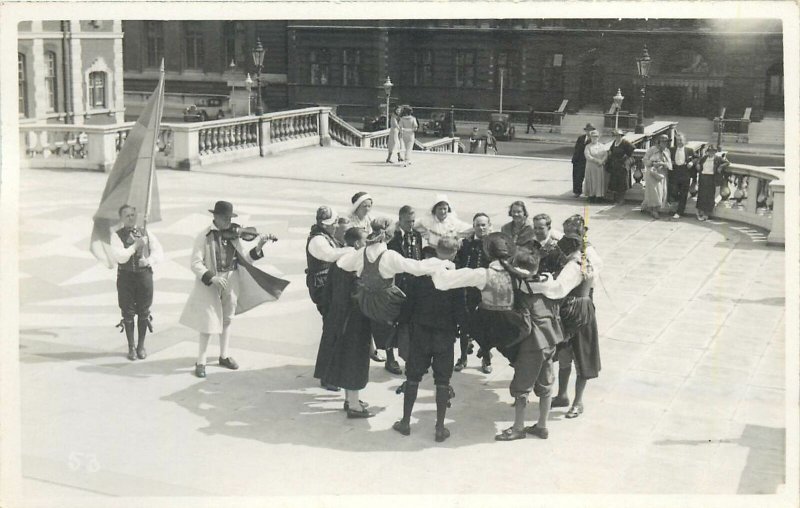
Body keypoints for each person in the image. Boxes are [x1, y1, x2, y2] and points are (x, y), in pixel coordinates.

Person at [431, 235, 560, 441]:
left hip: (520, 334)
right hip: (543, 331)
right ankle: (542, 425)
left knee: (522, 384)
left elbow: (443, 282)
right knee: (545, 381)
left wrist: (438, 265)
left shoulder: (485, 273)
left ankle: (518, 428)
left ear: (487, 253)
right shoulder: (523, 275)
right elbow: (551, 285)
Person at [179, 201, 289, 378]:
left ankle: (224, 355)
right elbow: (195, 263)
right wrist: (212, 277)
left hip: (232, 279)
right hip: (211, 282)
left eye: (230, 218)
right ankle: (201, 361)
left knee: (227, 319)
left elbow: (245, 259)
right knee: (208, 322)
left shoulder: (235, 236)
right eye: (224, 218)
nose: (228, 222)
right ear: (214, 217)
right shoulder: (204, 236)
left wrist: (259, 246)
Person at [337, 217, 447, 371]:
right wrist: (440, 262)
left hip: (366, 300)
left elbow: (342, 264)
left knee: (385, 322)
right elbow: (416, 268)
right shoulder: (389, 256)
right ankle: (410, 358)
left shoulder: (362, 252)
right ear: (388, 236)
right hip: (385, 302)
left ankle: (388, 357)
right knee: (409, 314)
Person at [392, 238, 462, 442]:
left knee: (412, 377)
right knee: (442, 381)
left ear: (436, 251)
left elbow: (408, 305)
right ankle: (440, 427)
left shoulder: (421, 274)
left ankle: (405, 422)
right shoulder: (455, 277)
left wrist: (400, 324)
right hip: (444, 335)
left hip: (420, 334)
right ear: (454, 254)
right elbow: (460, 311)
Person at [530, 234, 600, 420]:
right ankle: (562, 395)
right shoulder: (587, 260)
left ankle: (578, 402)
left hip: (575, 310)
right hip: (582, 306)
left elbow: (558, 289)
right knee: (565, 353)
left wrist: (542, 282)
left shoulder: (573, 265)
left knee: (579, 353)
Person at [313, 227, 374, 418]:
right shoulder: (355, 265)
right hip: (354, 321)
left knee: (345, 359)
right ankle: (354, 405)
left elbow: (327, 293)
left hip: (338, 319)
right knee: (354, 361)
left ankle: (351, 399)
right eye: (365, 241)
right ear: (357, 244)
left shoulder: (338, 262)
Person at [110, 204, 164, 361]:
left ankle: (141, 345)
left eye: (133, 215)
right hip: (126, 277)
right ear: (121, 218)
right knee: (127, 313)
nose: (130, 218)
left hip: (143, 277)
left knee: (144, 312)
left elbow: (159, 252)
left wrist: (147, 261)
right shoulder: (116, 236)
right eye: (126, 215)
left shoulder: (145, 232)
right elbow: (120, 256)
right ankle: (131, 347)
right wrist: (135, 246)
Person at [385, 205, 424, 374]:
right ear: (400, 220)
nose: (411, 225)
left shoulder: (416, 235)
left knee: (411, 322)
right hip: (396, 284)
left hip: (414, 285)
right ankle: (390, 358)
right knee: (392, 322)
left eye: (413, 221)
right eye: (408, 221)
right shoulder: (392, 238)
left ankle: (410, 356)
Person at [453, 212, 492, 373]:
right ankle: (463, 358)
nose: (481, 228)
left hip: (486, 291)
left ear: (489, 226)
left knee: (487, 325)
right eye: (478, 225)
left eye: (484, 225)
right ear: (473, 227)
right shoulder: (466, 243)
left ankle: (486, 358)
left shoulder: (493, 244)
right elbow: (458, 261)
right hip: (467, 290)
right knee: (464, 324)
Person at [305, 206, 354, 316]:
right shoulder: (317, 240)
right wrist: (352, 250)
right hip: (322, 286)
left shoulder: (327, 236)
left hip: (328, 282)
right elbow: (330, 255)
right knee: (331, 318)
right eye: (334, 223)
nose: (336, 226)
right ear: (324, 225)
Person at [695, 144, 730, 222]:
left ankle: (706, 214)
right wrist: (697, 164)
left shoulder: (718, 159)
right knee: (701, 195)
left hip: (711, 178)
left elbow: (727, 163)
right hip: (703, 177)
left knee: (709, 196)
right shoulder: (704, 158)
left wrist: (720, 167)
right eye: (710, 151)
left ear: (715, 152)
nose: (711, 152)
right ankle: (700, 212)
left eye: (713, 151)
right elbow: (698, 161)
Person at [642, 134, 673, 219]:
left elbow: (670, 164)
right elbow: (645, 159)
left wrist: (664, 164)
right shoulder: (652, 149)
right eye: (663, 142)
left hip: (662, 174)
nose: (664, 143)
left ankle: (655, 208)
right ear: (659, 142)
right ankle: (653, 210)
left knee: (661, 192)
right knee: (654, 192)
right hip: (652, 173)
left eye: (666, 142)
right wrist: (652, 163)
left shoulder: (667, 151)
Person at [669, 132, 696, 219]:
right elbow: (666, 157)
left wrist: (692, 162)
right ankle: (674, 207)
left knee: (683, 193)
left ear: (684, 141)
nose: (679, 142)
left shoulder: (689, 150)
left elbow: (697, 158)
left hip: (685, 173)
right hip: (675, 172)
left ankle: (679, 211)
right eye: (677, 140)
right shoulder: (672, 149)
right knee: (674, 191)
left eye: (681, 140)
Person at [606, 128, 635, 204]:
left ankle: (621, 199)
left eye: (619, 136)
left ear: (621, 136)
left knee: (622, 182)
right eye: (616, 136)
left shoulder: (625, 142)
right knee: (614, 182)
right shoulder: (614, 142)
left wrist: (626, 157)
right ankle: (615, 199)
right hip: (615, 165)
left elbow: (632, 148)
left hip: (622, 165)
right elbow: (611, 150)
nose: (617, 137)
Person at [583, 129, 608, 203]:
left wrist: (602, 161)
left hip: (599, 166)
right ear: (590, 137)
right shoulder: (588, 146)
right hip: (591, 166)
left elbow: (605, 154)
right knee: (591, 180)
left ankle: (599, 196)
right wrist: (597, 160)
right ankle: (591, 195)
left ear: (598, 137)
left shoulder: (602, 146)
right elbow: (588, 156)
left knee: (598, 181)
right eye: (593, 137)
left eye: (596, 137)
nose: (594, 138)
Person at [571, 123, 594, 198]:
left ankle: (589, 192)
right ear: (586, 131)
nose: (589, 132)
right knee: (577, 177)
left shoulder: (593, 139)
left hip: (587, 161)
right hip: (578, 160)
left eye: (591, 130)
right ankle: (577, 192)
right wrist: (574, 159)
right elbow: (576, 149)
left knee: (588, 178)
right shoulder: (581, 138)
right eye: (588, 130)